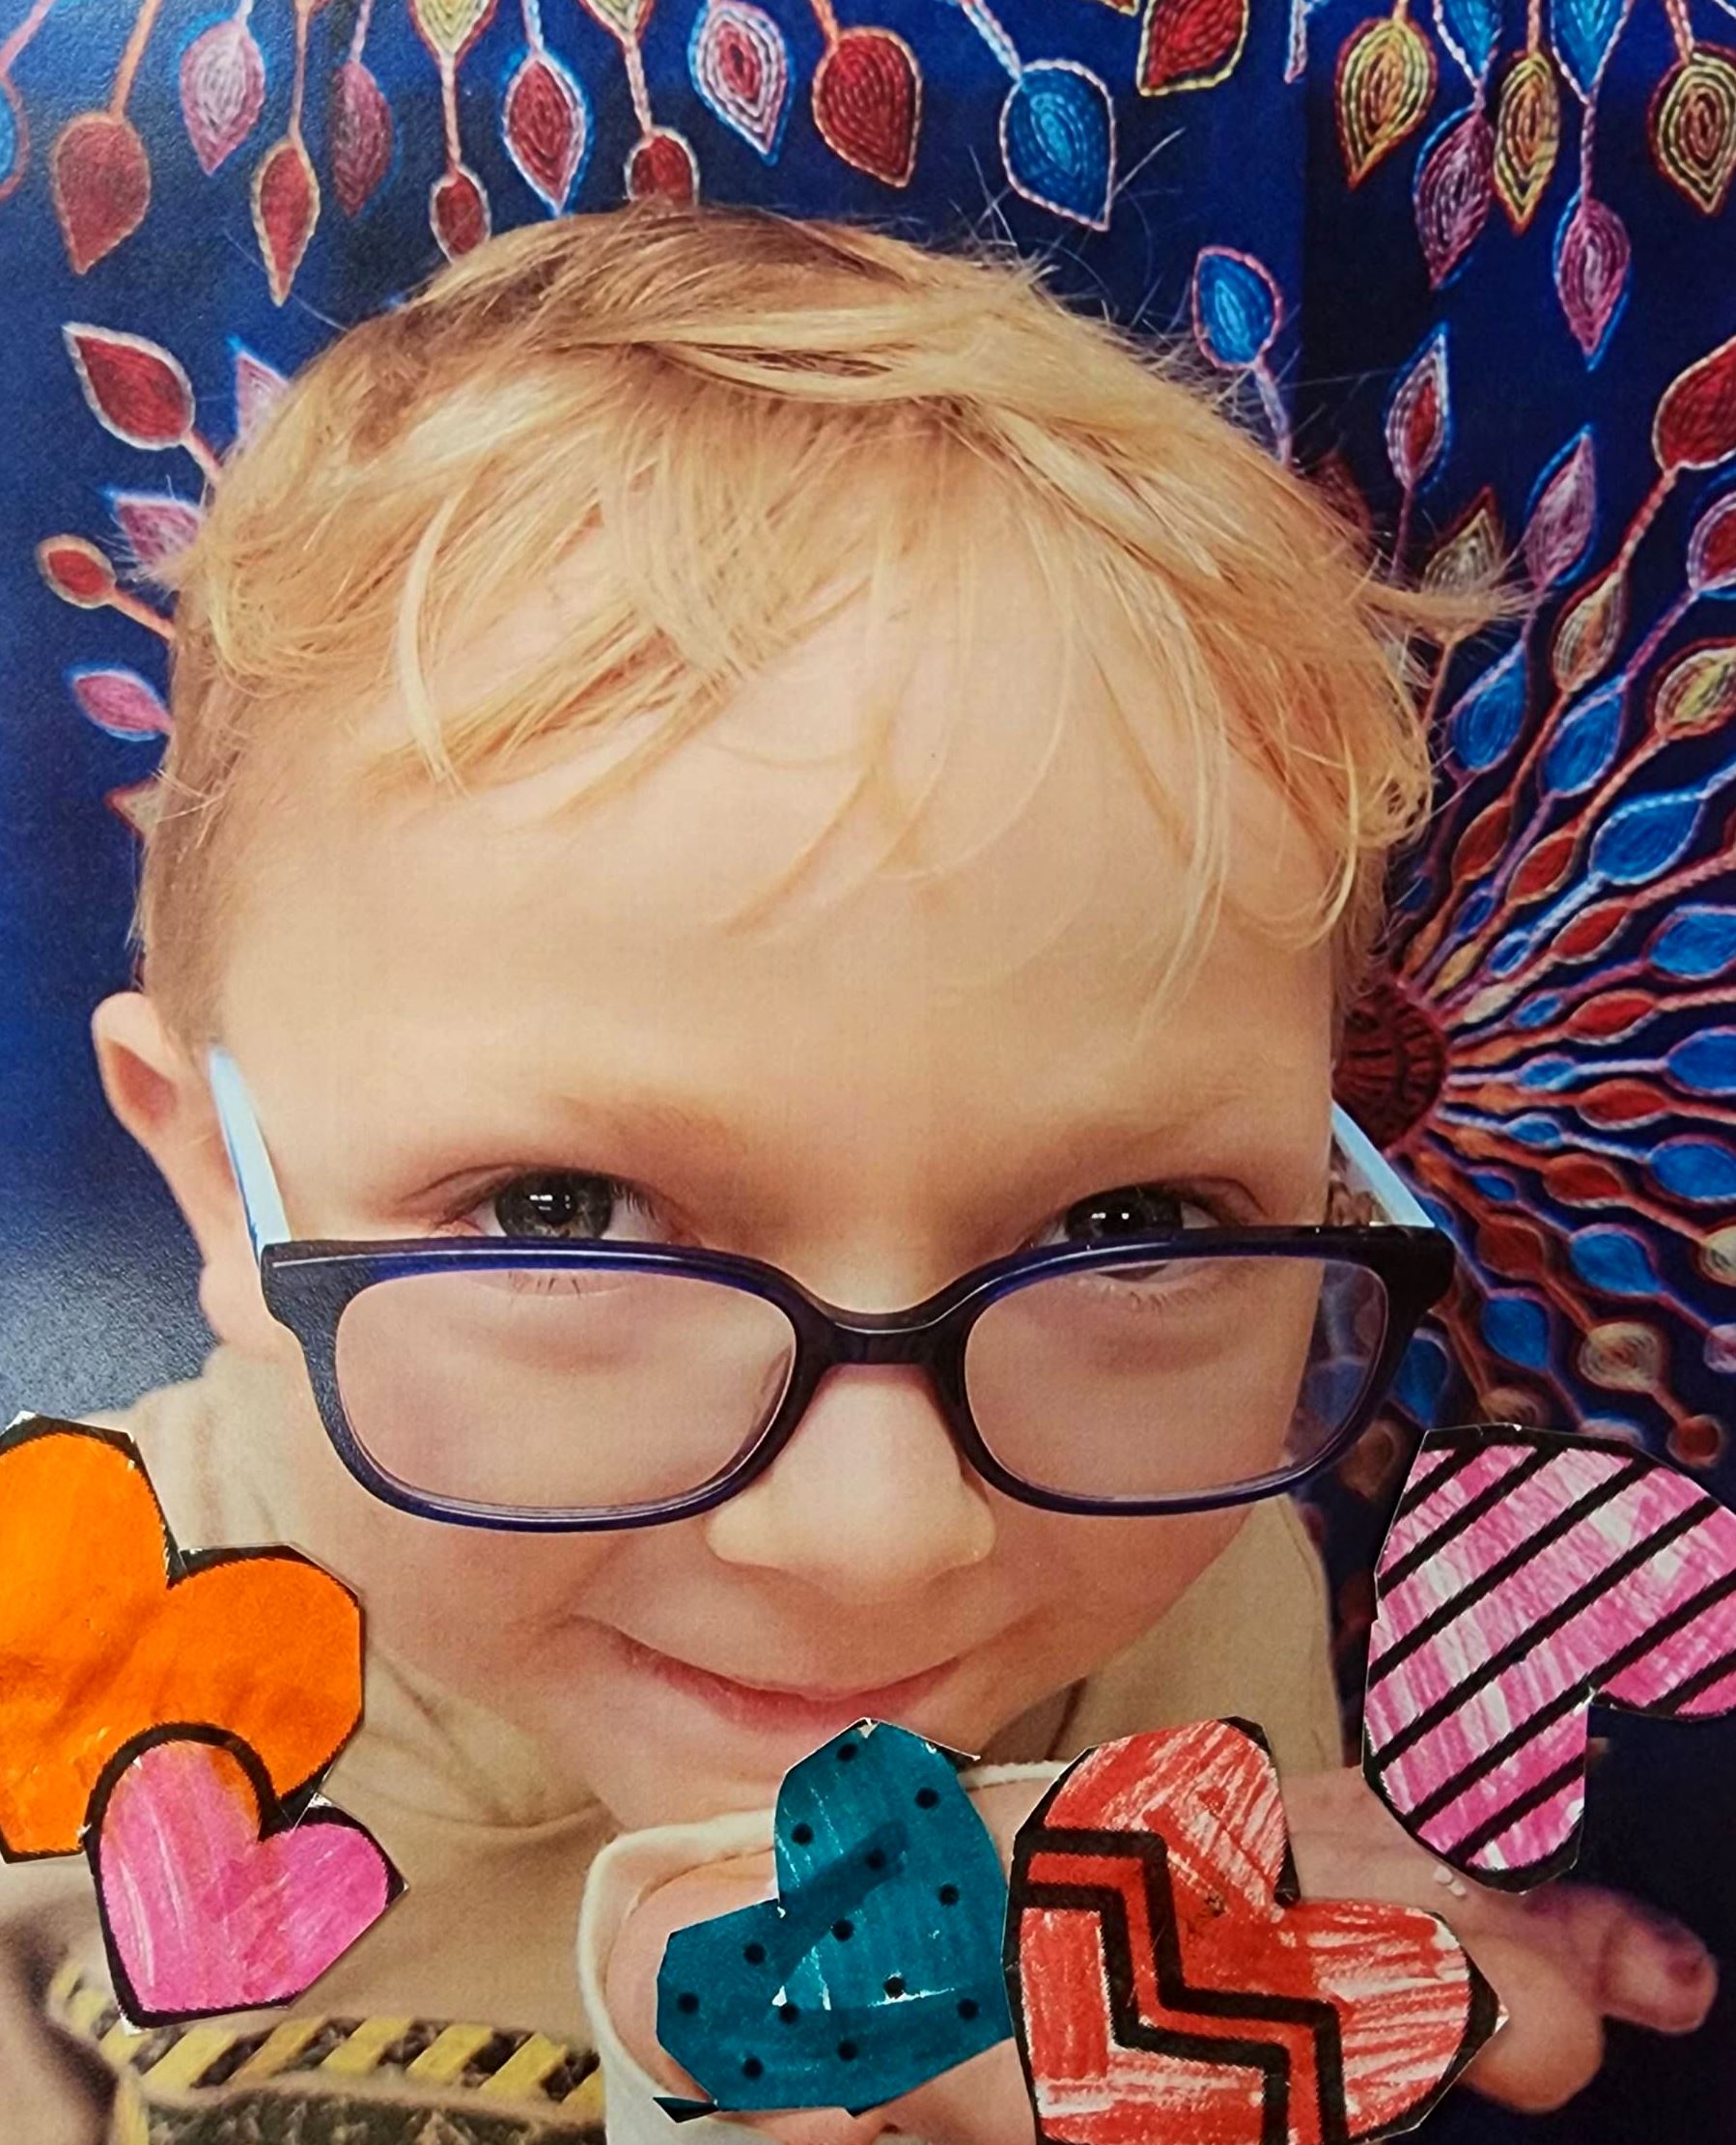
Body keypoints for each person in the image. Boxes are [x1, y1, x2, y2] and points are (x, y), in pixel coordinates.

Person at [1, 206, 1714, 2142]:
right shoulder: (56, 1635)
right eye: (565, 1213)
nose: (880, 1538)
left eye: (1126, 1227)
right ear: (217, 1183)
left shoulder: (1172, 1589)